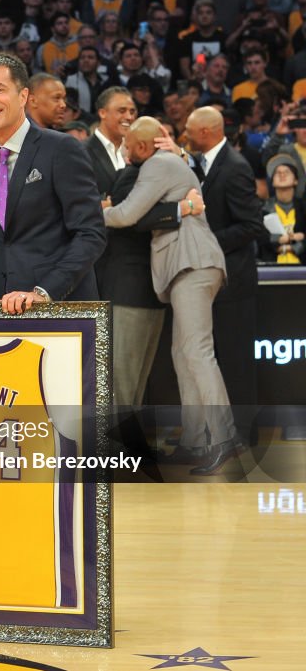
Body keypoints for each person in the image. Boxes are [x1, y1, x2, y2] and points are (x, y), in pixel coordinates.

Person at [103, 117, 239, 475]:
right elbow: (152, 215)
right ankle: (196, 440)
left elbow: (127, 214)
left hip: (191, 263)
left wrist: (101, 211)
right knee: (183, 352)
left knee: (196, 351)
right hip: (189, 266)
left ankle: (223, 438)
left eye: (129, 146)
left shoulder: (158, 165)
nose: (125, 150)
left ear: (143, 147)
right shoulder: (169, 163)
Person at [0, 52, 105, 315]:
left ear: (23, 96)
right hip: (5, 307)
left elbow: (91, 233)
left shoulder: (61, 148)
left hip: (62, 308)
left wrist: (44, 293)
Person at [184, 106, 266, 442]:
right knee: (218, 357)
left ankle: (245, 434)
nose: (184, 135)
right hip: (214, 281)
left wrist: (206, 242)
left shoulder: (234, 167)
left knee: (236, 360)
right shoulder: (205, 163)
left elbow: (251, 226)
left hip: (234, 281)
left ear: (206, 132)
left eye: (189, 130)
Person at [260, 154, 306, 263]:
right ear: (272, 182)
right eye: (277, 173)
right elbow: (260, 239)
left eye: (287, 172)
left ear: (296, 180)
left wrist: (292, 247)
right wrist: (278, 240)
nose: (282, 175)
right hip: (271, 268)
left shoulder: (303, 207)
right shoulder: (263, 209)